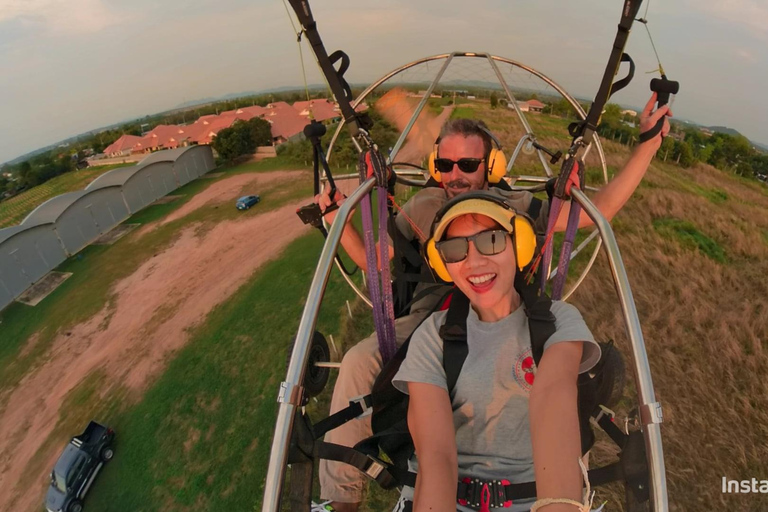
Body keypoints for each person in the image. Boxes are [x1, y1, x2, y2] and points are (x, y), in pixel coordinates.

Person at [312, 94, 670, 512]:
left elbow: (593, 213)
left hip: (502, 314)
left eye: (468, 165)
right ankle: (340, 500)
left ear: (492, 166)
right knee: (358, 361)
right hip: (432, 317)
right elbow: (374, 262)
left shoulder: (514, 207)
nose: (455, 175)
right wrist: (337, 218)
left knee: (540, 389)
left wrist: (647, 146)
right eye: (445, 165)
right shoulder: (424, 205)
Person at [392, 191, 600, 512]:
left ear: (519, 246)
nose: (474, 262)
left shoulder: (559, 322)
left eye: (491, 240)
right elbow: (436, 457)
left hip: (536, 498)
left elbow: (553, 402)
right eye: (454, 249)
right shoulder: (433, 336)